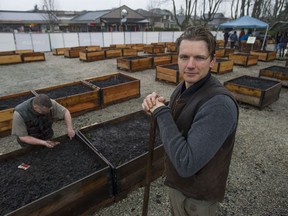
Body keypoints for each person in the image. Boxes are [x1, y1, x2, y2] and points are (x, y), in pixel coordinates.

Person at [142, 26, 239, 216]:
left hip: (197, 198)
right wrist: (160, 105)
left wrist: (161, 113)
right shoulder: (183, 87)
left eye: (200, 57)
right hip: (179, 186)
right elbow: (185, 116)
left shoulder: (219, 104)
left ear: (212, 61)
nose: (190, 65)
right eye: (184, 57)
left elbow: (186, 164)